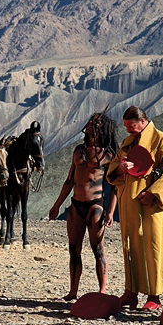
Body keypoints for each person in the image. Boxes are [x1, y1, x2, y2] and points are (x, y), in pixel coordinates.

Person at [107, 106, 163, 311]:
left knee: (153, 247)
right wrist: (120, 169)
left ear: (142, 122)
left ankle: (154, 296)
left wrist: (152, 193)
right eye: (125, 127)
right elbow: (114, 166)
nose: (128, 131)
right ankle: (131, 292)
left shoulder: (162, 140)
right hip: (129, 205)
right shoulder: (127, 143)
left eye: (131, 127)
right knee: (131, 246)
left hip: (152, 207)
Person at [48, 112, 119, 300]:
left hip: (96, 205)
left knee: (98, 249)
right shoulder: (78, 151)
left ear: (102, 128)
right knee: (73, 249)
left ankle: (102, 291)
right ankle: (73, 291)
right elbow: (69, 180)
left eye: (94, 123)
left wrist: (111, 212)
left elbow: (115, 186)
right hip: (76, 204)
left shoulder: (109, 155)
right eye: (89, 122)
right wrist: (57, 205)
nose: (88, 125)